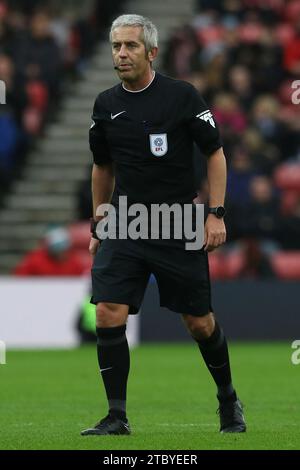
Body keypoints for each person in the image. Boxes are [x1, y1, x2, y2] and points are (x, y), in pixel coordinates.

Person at [81, 14, 246, 436]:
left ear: (151, 52)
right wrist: (100, 216)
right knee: (107, 313)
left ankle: (228, 398)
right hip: (126, 221)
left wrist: (215, 214)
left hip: (178, 221)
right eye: (117, 46)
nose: (122, 53)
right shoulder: (105, 104)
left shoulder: (183, 97)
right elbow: (102, 166)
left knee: (199, 323)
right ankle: (116, 415)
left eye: (131, 46)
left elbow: (215, 153)